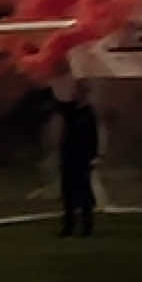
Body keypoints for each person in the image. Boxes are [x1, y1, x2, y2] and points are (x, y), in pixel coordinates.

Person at [54, 80, 99, 238]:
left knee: (84, 194)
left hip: (82, 159)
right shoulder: (71, 110)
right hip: (68, 157)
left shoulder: (88, 113)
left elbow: (94, 137)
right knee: (68, 194)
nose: (76, 94)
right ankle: (68, 226)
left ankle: (87, 227)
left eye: (79, 91)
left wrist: (93, 157)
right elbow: (57, 104)